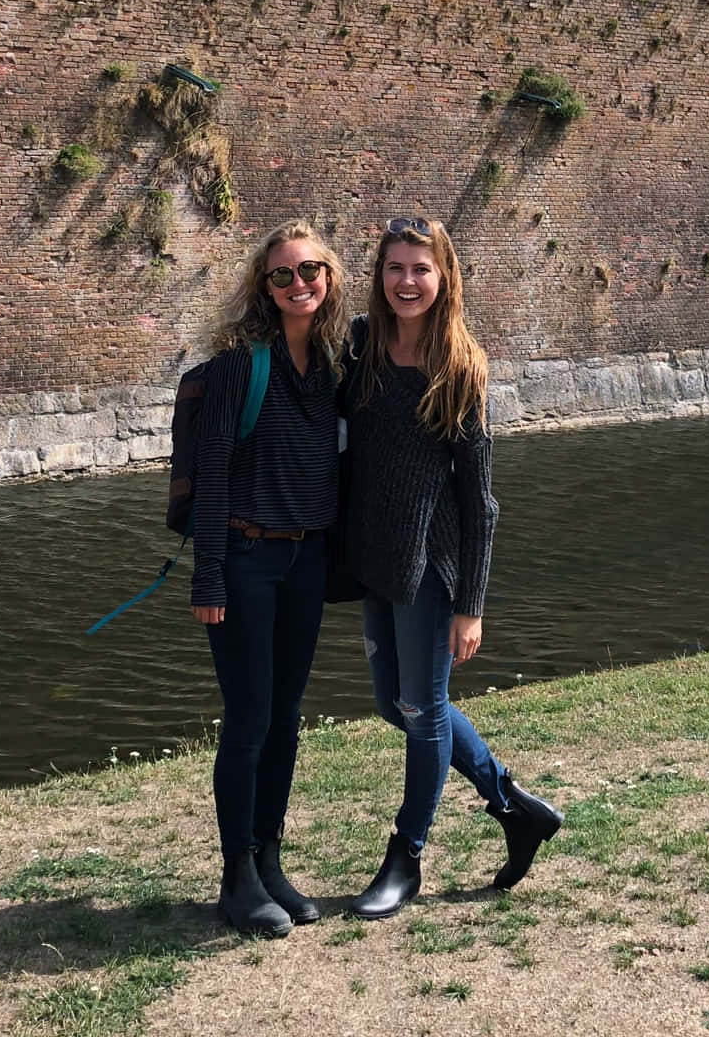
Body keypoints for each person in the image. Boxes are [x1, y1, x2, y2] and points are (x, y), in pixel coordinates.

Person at [345, 215, 563, 918]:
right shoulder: (360, 348)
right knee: (394, 704)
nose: (407, 281)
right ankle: (511, 805)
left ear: (444, 278)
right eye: (395, 268)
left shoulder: (460, 367)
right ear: (380, 277)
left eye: (421, 269)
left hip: (432, 568)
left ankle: (405, 857)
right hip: (377, 561)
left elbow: (480, 502)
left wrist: (472, 604)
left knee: (424, 707)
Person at [190, 218, 346, 937]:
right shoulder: (236, 367)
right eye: (282, 274)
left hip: (305, 561)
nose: (298, 284)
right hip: (246, 561)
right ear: (263, 285)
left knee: (285, 718)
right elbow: (213, 478)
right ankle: (236, 877)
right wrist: (209, 579)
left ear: (330, 277)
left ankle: (270, 860)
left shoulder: (336, 367)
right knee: (249, 720)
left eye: (310, 270)